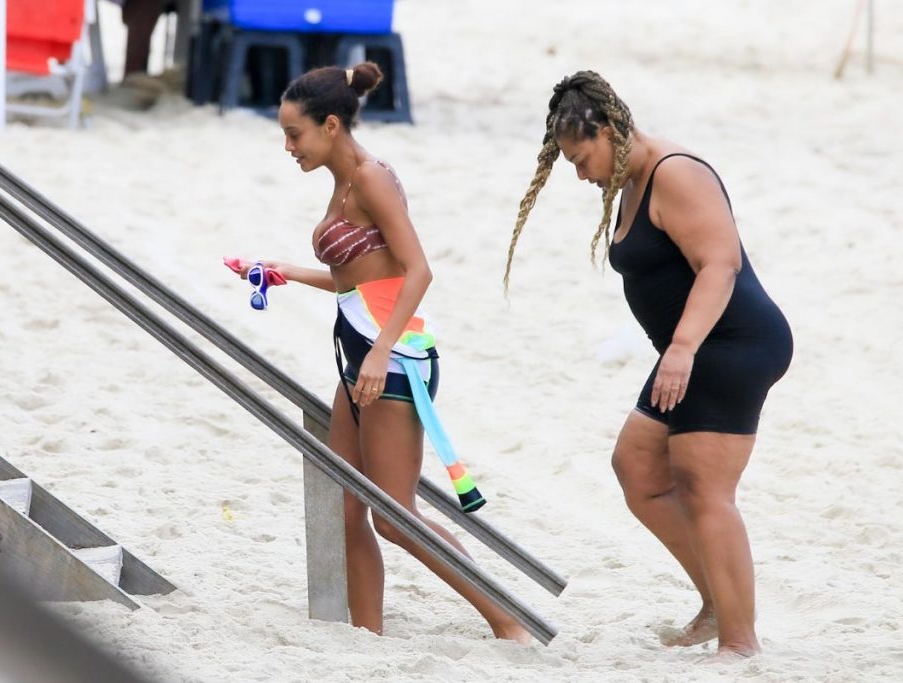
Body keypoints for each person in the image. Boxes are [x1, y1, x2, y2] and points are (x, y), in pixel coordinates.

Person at [236, 62, 528, 643]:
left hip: (391, 361)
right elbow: (358, 280)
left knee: (394, 517)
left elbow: (418, 271)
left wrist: (379, 352)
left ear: (331, 125)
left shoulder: (371, 178)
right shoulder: (343, 182)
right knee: (349, 507)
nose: (288, 147)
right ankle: (365, 638)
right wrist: (284, 271)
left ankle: (508, 619)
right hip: (361, 355)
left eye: (294, 134)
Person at [505, 70, 793, 658]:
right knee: (637, 466)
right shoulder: (632, 179)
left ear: (609, 131)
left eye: (581, 159)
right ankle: (718, 603)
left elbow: (721, 264)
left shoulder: (676, 172)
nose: (580, 174)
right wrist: (679, 350)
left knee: (704, 488)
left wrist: (681, 349)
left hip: (730, 343)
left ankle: (740, 641)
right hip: (694, 347)